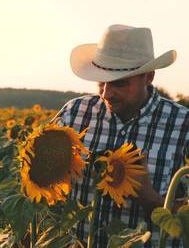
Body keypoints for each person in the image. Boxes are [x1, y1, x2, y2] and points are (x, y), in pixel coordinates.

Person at [53, 24, 188, 247]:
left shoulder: (183, 125)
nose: (107, 93)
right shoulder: (74, 113)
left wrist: (150, 198)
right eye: (101, 81)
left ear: (148, 77)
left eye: (119, 83)